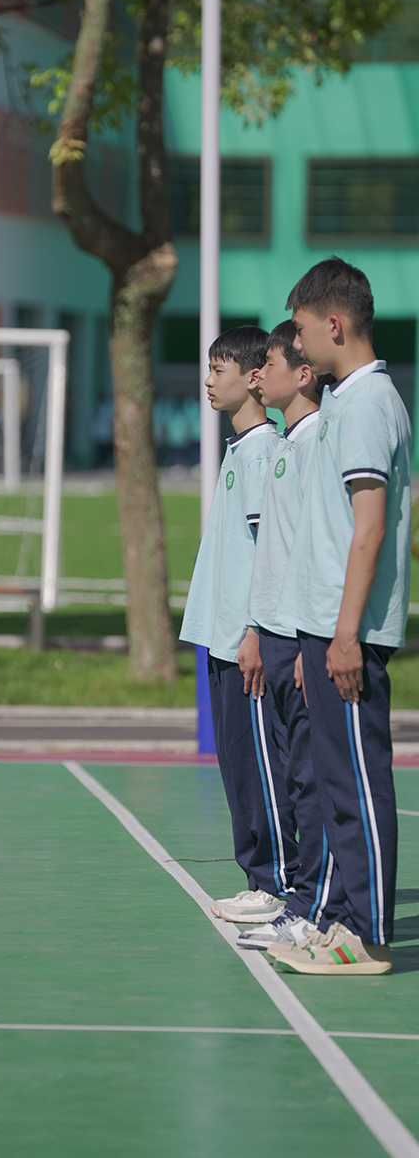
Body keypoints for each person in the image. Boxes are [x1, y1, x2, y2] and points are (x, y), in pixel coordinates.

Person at [267, 257, 411, 976]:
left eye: (300, 330)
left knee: (357, 782)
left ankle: (367, 934)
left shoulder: (366, 403)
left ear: (334, 324)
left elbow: (369, 528)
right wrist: (312, 635)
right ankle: (345, 920)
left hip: (346, 630)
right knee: (334, 784)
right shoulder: (344, 404)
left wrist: (346, 632)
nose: (296, 344)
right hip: (324, 628)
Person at [180, 326, 298, 924]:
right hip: (222, 638)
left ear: (254, 378)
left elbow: (270, 552)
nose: (207, 381)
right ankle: (259, 878)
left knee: (261, 767)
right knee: (236, 765)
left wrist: (254, 630)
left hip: (245, 642)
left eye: (218, 369)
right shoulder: (239, 450)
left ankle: (278, 882)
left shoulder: (262, 454)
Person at [235, 321, 337, 950]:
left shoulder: (313, 445)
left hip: (297, 638)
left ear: (302, 375)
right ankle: (302, 900)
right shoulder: (285, 446)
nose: (260, 375)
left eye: (269, 364)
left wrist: (305, 641)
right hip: (274, 633)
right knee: (295, 775)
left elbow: (314, 553)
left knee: (310, 777)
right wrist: (259, 625)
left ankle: (312, 906)